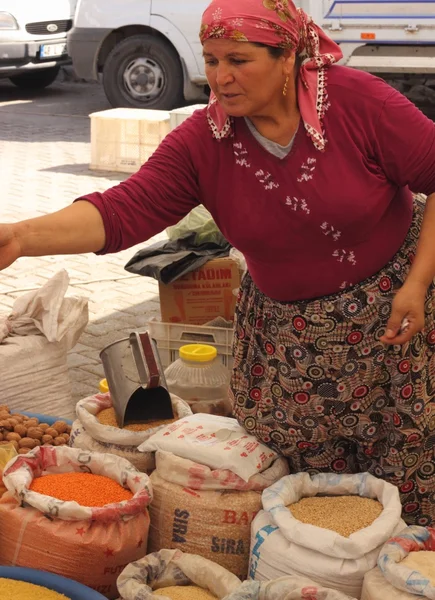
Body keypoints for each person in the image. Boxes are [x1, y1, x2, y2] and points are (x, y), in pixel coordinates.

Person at [1, 0, 435, 525]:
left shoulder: (355, 103)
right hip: (294, 337)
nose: (220, 78)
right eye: (210, 60)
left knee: (409, 456)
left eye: (238, 60)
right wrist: (21, 237)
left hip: (398, 313)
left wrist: (417, 282)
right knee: (311, 481)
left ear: (288, 57)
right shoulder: (204, 141)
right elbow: (125, 209)